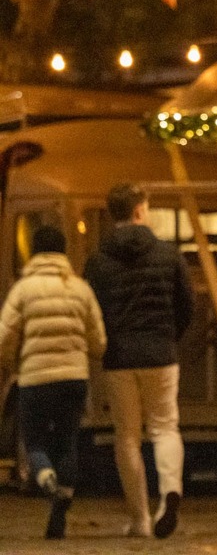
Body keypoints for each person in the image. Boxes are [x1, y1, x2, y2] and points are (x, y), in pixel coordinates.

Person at [84, 183, 193, 539]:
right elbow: (186, 304)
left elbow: (93, 310)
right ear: (140, 211)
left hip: (118, 357)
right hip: (161, 352)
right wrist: (168, 337)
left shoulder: (98, 260)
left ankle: (140, 519)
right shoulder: (168, 254)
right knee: (165, 427)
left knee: (127, 437)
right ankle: (171, 490)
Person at [0, 226, 106, 539]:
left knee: (34, 442)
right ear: (63, 252)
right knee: (67, 442)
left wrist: (13, 362)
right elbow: (98, 342)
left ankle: (44, 475)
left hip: (34, 378)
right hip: (74, 378)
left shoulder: (23, 289)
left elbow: (5, 337)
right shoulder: (80, 288)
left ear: (34, 251)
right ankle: (63, 501)